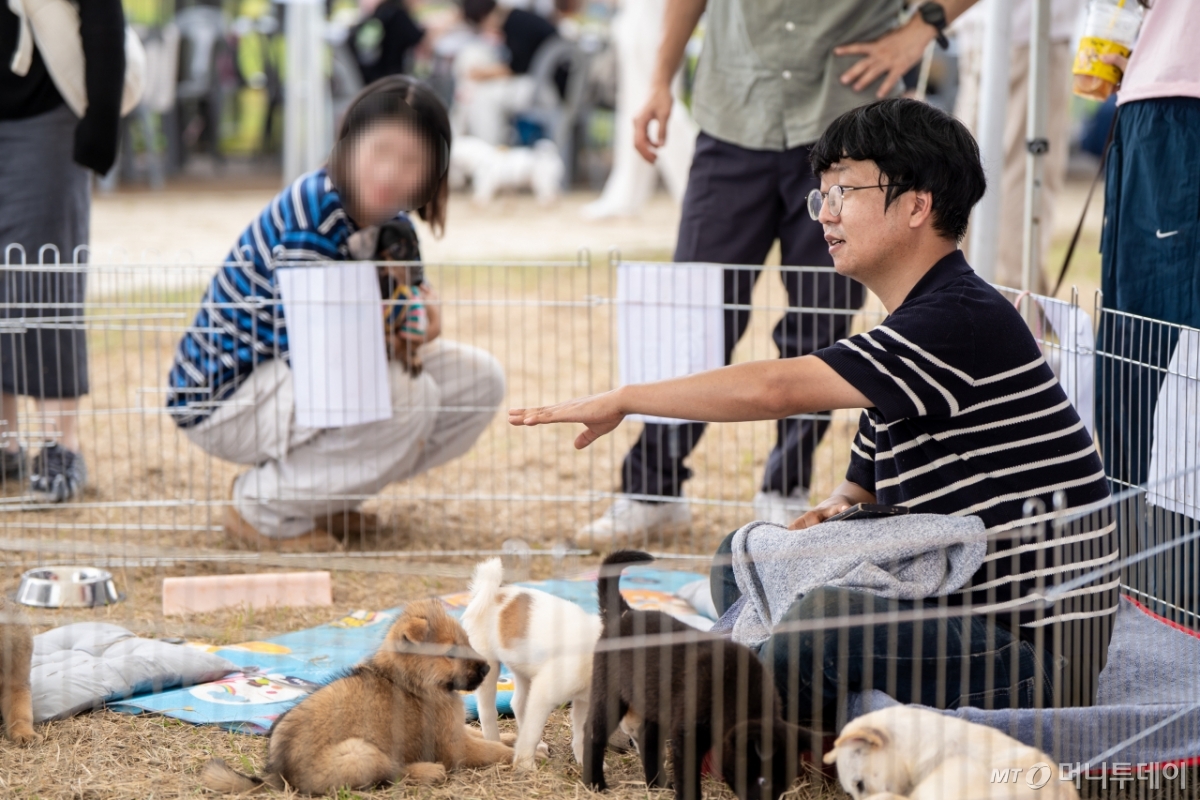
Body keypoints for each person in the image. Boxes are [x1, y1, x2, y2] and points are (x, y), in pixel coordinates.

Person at [512, 99, 1117, 728]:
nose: (824, 214)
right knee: (744, 558)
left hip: (1035, 654)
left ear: (918, 204)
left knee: (822, 618)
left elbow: (775, 387)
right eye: (820, 195)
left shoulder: (959, 317)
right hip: (952, 599)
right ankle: (756, 689)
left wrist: (625, 397)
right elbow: (864, 478)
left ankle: (718, 716)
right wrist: (831, 510)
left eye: (844, 192)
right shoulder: (921, 320)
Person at [583, 0, 983, 541]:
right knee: (690, 315)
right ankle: (651, 489)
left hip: (846, 125)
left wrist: (923, 27)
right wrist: (658, 81)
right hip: (732, 113)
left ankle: (785, 487)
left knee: (818, 323)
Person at [166, 76, 505, 552]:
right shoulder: (313, 212)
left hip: (298, 376)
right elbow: (318, 350)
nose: (390, 173)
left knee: (479, 381)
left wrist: (424, 326)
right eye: (380, 151)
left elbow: (394, 330)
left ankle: (319, 498)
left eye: (412, 162)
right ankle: (262, 508)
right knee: (407, 394)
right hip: (226, 395)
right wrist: (395, 335)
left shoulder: (397, 229)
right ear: (348, 145)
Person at [1093, 0, 1200, 615]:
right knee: (1139, 343)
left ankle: (1165, 579)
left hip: (1177, 96)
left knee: (1160, 340)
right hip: (1154, 88)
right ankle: (1146, 570)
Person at [0, 0, 125, 502]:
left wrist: (102, 117)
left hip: (48, 109)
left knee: (42, 277)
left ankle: (60, 444)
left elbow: (102, 14)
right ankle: (5, 443)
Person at [953, 0, 1084, 293]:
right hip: (1028, 35)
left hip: (984, 32)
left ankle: (978, 305)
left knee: (971, 173)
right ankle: (1014, 309)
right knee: (1021, 178)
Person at [453, 0, 564, 145]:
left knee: (484, 97)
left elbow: (517, 66)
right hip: (548, 82)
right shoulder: (518, 18)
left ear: (483, 17)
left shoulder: (515, 23)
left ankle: (489, 150)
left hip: (550, 88)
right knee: (478, 91)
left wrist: (484, 74)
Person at [350, 0, 427, 84]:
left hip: (367, 76)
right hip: (388, 80)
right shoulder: (398, 15)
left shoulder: (380, 12)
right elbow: (418, 39)